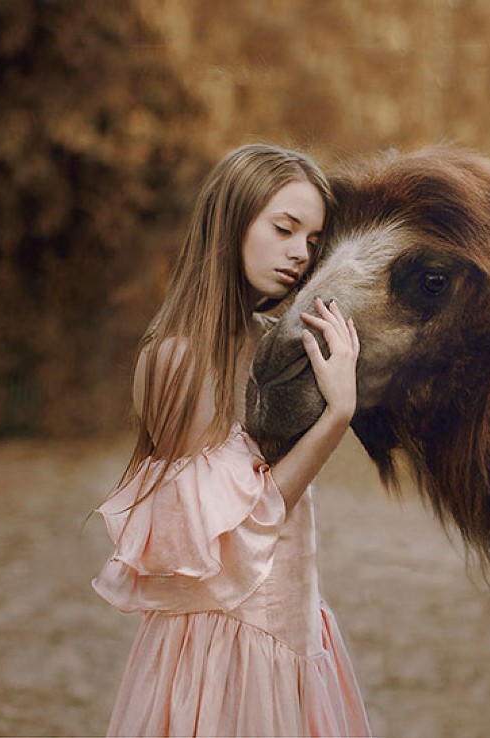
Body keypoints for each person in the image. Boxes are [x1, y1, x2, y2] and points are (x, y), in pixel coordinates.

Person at [92, 143, 371, 737]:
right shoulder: (179, 358)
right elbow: (243, 529)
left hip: (294, 629)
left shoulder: (274, 343)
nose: (300, 252)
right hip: (227, 650)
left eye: (313, 240)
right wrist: (336, 415)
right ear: (231, 222)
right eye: (284, 228)